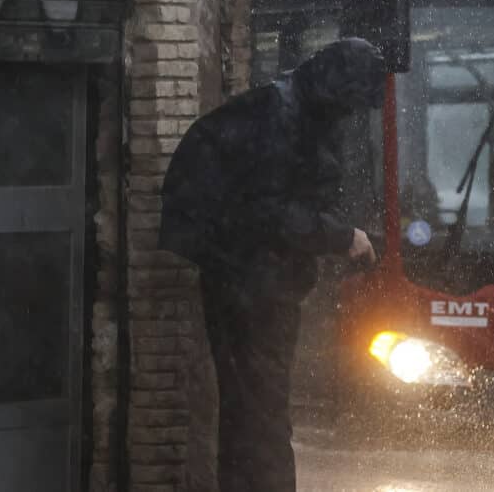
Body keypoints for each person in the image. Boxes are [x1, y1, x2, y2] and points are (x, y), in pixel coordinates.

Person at [158, 38, 386, 491]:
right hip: (252, 283)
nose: (351, 116)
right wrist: (343, 238)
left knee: (248, 411)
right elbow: (272, 212)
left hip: (243, 276)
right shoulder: (282, 121)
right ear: (339, 91)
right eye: (352, 104)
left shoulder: (283, 108)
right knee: (263, 414)